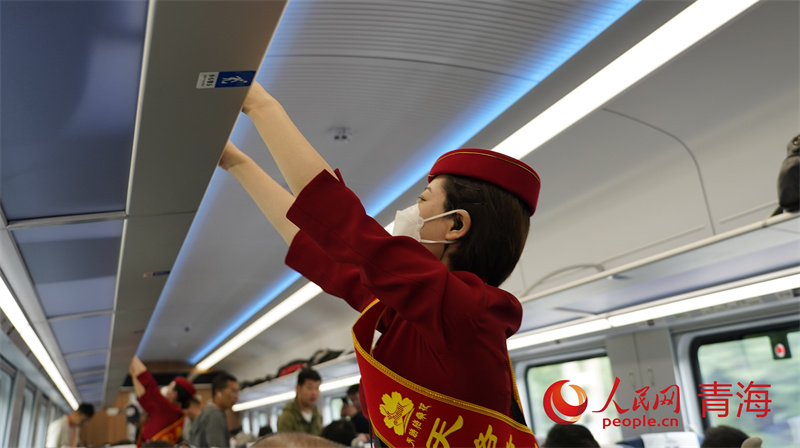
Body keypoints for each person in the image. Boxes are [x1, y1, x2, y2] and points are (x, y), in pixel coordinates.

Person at [220, 81, 539, 446]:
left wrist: (259, 103)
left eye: (423, 200)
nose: (410, 212)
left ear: (456, 225)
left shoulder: (466, 312)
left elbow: (344, 222)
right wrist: (237, 163)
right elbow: (323, 248)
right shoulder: (419, 314)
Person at [129, 356, 196, 446]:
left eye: (169, 386)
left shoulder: (168, 409)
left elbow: (149, 385)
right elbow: (143, 396)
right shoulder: (172, 412)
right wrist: (133, 372)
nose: (166, 388)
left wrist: (132, 357)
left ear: (174, 394)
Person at [190, 372, 239, 448]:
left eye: (237, 392)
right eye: (233, 391)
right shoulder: (215, 415)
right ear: (218, 392)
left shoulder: (207, 413)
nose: (236, 396)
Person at [276, 367, 323, 434]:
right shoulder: (287, 417)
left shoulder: (317, 415)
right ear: (298, 388)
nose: (314, 393)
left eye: (317, 388)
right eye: (309, 388)